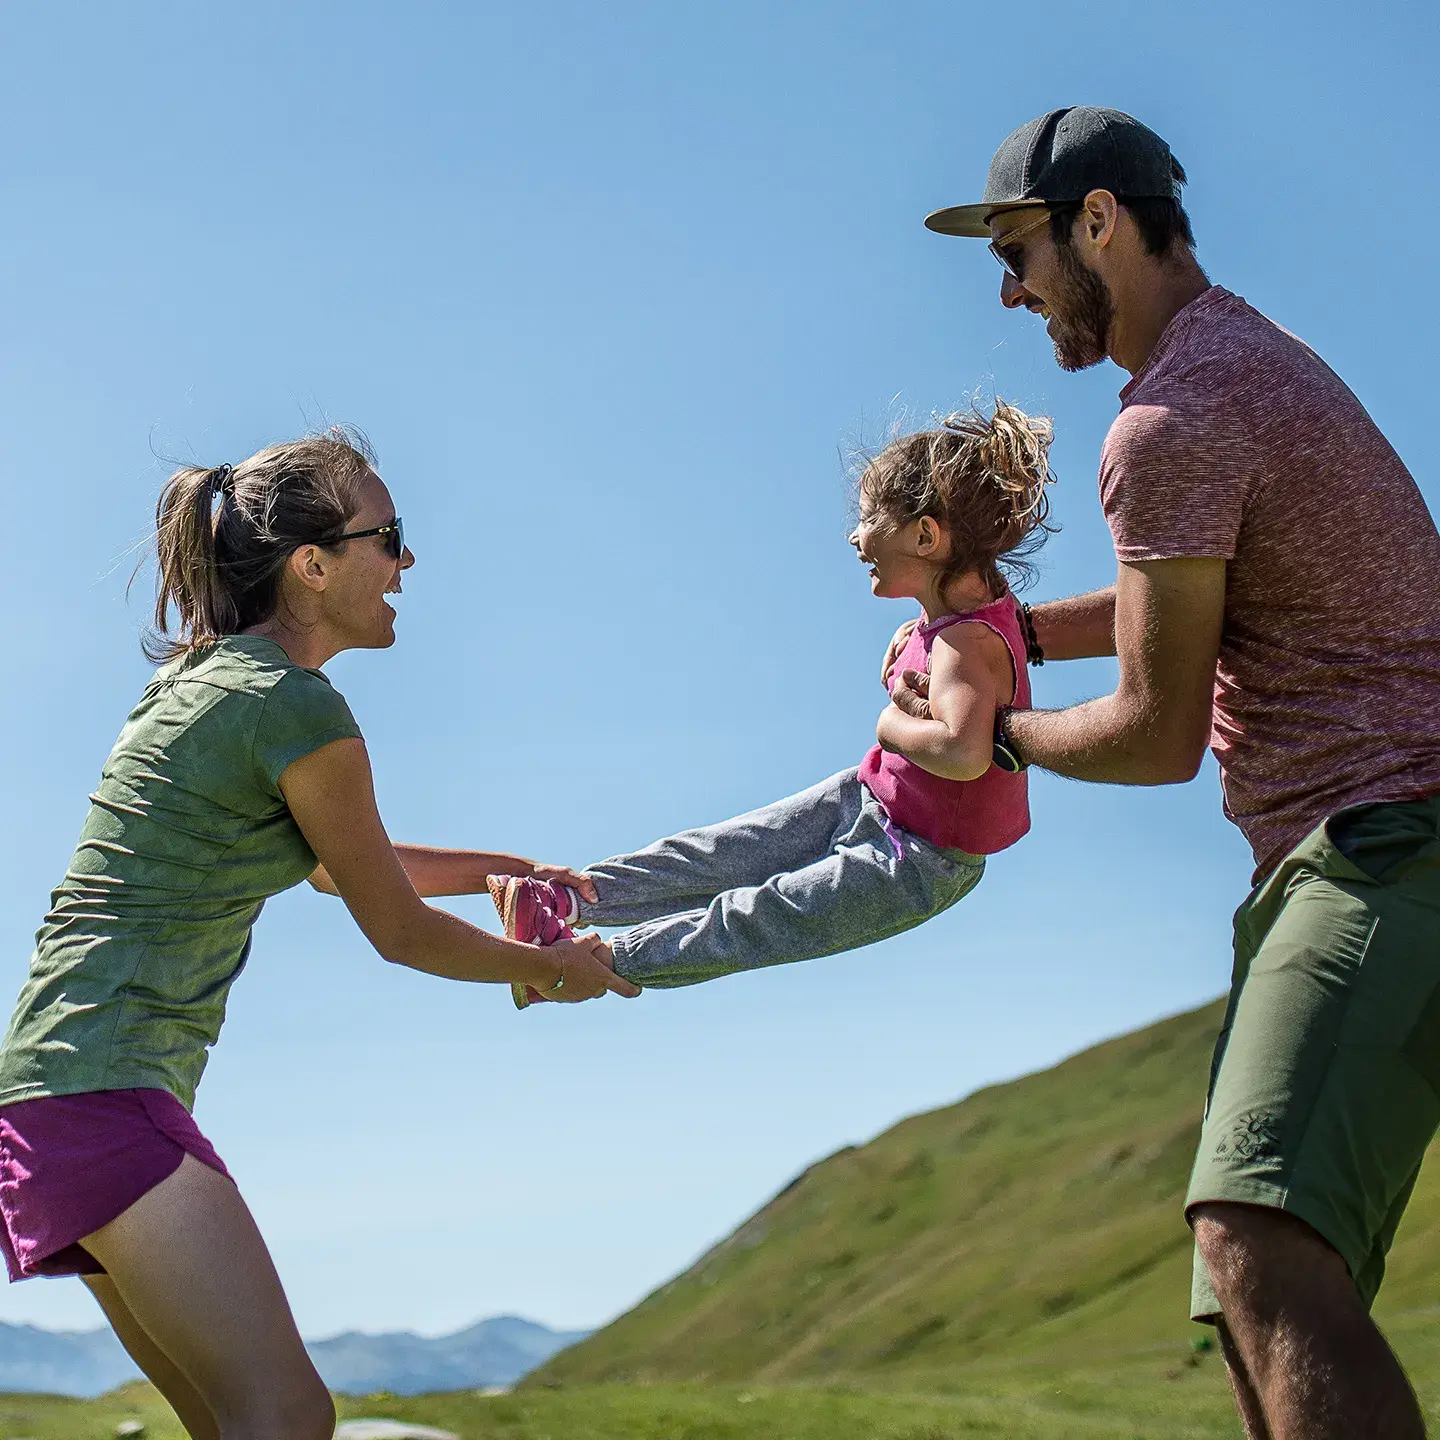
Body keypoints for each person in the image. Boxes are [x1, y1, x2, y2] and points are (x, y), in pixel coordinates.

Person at [910, 107, 1440, 1439]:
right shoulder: (1240, 360)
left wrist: (994, 730)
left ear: (1099, 223)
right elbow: (1182, 594)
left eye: (1019, 247)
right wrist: (1008, 635)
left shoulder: (1175, 417)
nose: (1008, 286)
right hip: (1374, 846)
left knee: (1258, 1236)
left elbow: (1156, 735)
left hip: (1389, 850)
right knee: (1248, 1274)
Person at [0, 430, 638, 1440]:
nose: (407, 563)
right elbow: (396, 927)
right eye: (388, 537)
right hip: (108, 1094)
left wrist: (499, 873)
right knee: (287, 1413)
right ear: (313, 564)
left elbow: (344, 864)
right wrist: (551, 970)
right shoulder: (295, 707)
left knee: (229, 1422)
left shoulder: (209, 685)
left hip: (56, 1093)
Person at [485, 403, 1052, 1004]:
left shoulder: (966, 641)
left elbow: (963, 753)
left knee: (764, 916)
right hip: (874, 797)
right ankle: (560, 900)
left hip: (922, 860)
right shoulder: (953, 621)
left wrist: (891, 726)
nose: (855, 536)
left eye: (867, 518)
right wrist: (917, 634)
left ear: (924, 535)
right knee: (724, 851)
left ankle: (594, 959)